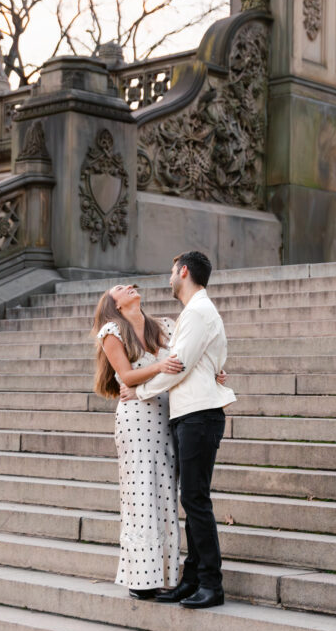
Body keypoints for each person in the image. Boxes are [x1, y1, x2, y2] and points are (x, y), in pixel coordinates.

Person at [120, 250, 235, 609]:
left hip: (200, 414)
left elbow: (178, 365)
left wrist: (139, 391)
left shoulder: (199, 311)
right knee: (191, 498)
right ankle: (191, 578)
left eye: (172, 271)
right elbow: (206, 359)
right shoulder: (195, 313)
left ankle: (211, 583)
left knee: (196, 499)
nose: (169, 277)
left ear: (183, 271)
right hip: (191, 413)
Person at [92, 284, 184, 599]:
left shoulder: (167, 326)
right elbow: (126, 377)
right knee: (140, 494)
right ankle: (141, 579)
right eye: (120, 288)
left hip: (167, 414)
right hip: (136, 420)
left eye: (130, 285)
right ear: (113, 303)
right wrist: (160, 368)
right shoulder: (111, 332)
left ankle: (167, 576)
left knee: (165, 493)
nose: (129, 287)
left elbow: (182, 365)